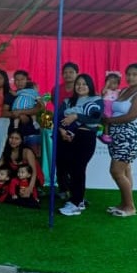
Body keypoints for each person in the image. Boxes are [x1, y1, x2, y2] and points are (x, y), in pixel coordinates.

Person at [104, 63, 137, 218]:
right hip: (115, 136)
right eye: (128, 74)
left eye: (135, 74)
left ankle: (131, 207)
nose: (131, 77)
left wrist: (109, 121)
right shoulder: (124, 90)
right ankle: (124, 203)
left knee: (116, 171)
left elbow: (131, 116)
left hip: (129, 137)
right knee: (125, 170)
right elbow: (110, 104)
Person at [56, 73, 103, 216]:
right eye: (78, 84)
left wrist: (76, 116)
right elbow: (58, 117)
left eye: (84, 84)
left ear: (90, 86)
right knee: (69, 168)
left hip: (85, 138)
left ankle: (76, 203)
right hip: (67, 138)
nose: (80, 86)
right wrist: (61, 130)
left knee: (78, 168)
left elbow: (95, 119)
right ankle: (78, 199)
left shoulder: (96, 100)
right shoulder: (68, 101)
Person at [0, 130, 44, 200]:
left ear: (21, 140)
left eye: (17, 138)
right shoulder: (8, 152)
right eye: (11, 138)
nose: (13, 141)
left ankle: (36, 190)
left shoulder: (27, 152)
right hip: (19, 177)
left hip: (33, 177)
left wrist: (30, 188)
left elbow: (34, 172)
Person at [3, 70, 43, 158]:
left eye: (22, 79)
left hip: (31, 130)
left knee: (34, 156)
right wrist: (16, 115)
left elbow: (38, 109)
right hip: (15, 132)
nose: (19, 82)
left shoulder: (33, 93)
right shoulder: (11, 95)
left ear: (27, 80)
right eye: (17, 80)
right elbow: (4, 112)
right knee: (15, 157)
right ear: (14, 81)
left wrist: (21, 112)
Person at [99, 71, 122, 144]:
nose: (112, 85)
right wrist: (106, 85)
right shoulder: (106, 90)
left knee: (113, 123)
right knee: (106, 123)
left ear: (118, 84)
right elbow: (102, 93)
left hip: (113, 111)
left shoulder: (118, 91)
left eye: (114, 83)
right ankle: (105, 135)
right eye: (110, 83)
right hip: (106, 110)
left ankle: (114, 135)